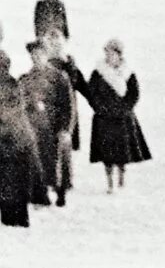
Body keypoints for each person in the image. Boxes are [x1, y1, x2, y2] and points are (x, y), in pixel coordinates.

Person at [78, 39, 152, 192]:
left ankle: (121, 179)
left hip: (122, 118)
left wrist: (125, 108)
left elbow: (134, 94)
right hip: (104, 118)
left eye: (112, 53)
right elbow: (92, 94)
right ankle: (109, 182)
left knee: (122, 151)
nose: (109, 56)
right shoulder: (98, 72)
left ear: (119, 55)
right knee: (107, 153)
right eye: (107, 53)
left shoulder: (127, 72)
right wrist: (100, 108)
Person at [20, 38, 75, 207]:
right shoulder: (25, 79)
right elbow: (20, 104)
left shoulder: (59, 78)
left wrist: (65, 129)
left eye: (40, 54)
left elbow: (68, 106)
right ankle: (39, 193)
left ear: (47, 55)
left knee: (60, 153)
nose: (36, 58)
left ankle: (61, 191)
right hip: (34, 127)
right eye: (33, 55)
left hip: (55, 127)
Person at [0, 45, 40, 229]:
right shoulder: (12, 82)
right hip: (14, 142)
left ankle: (14, 220)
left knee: (12, 183)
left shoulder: (10, 85)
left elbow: (9, 112)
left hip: (14, 142)